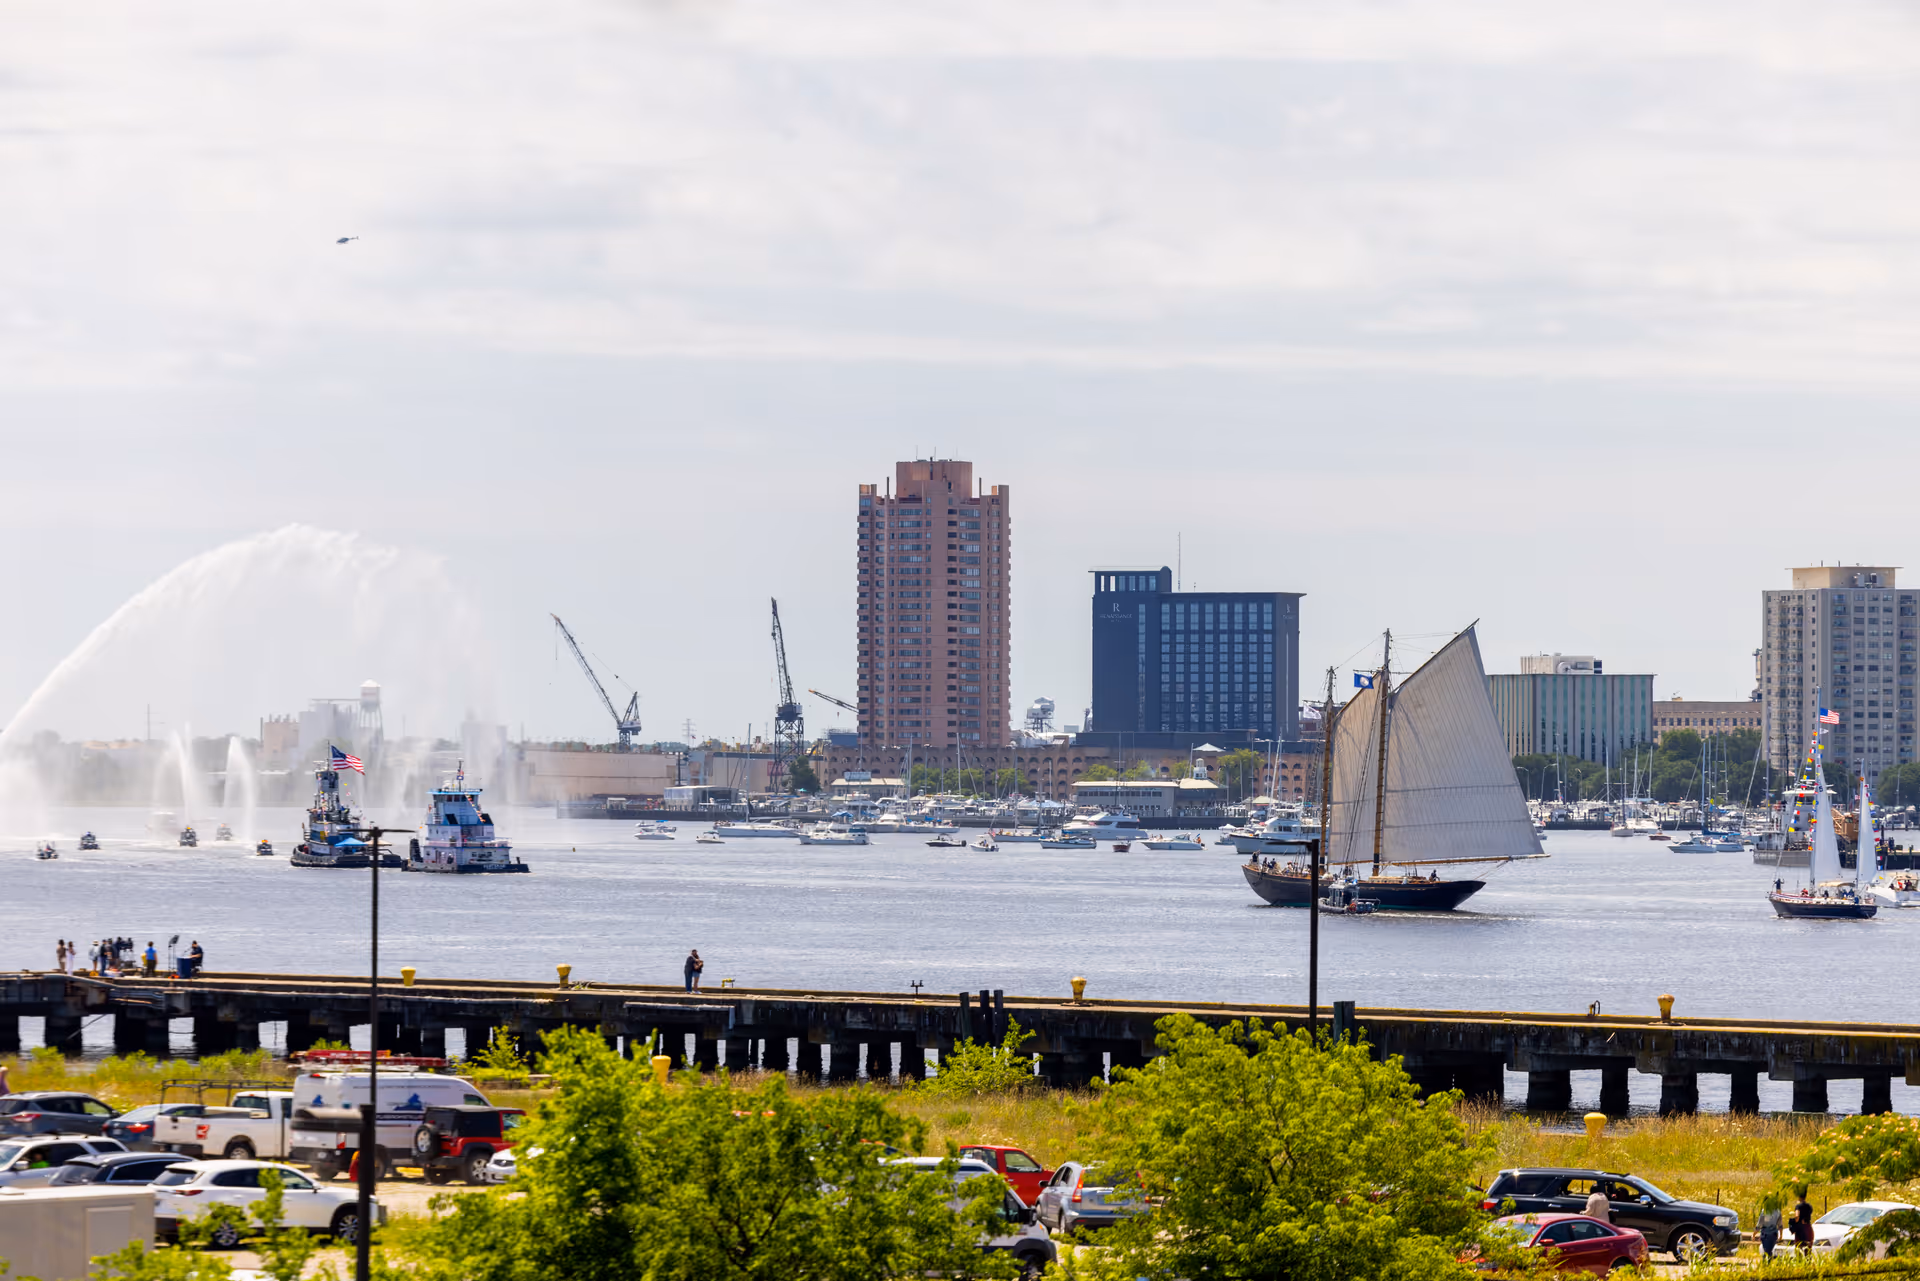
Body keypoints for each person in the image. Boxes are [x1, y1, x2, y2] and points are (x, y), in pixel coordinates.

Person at [1792, 1190, 1814, 1254]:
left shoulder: (1798, 1206)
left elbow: (1797, 1216)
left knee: (1799, 1249)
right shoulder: (1809, 1206)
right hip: (1808, 1227)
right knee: (1808, 1249)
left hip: (1800, 1229)